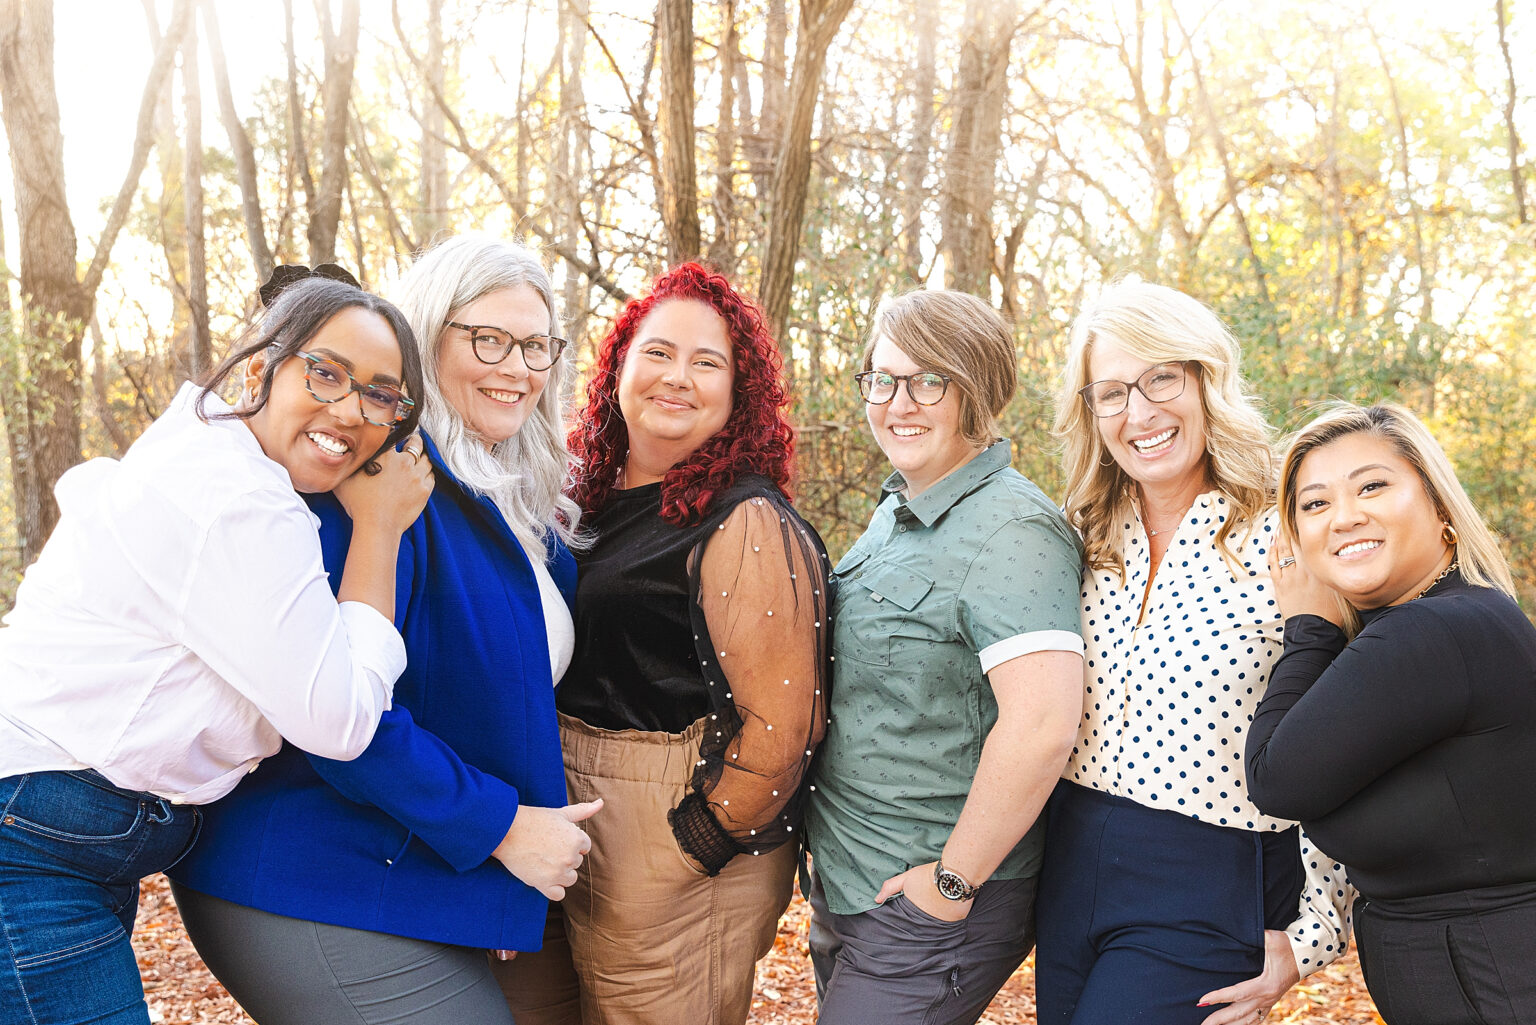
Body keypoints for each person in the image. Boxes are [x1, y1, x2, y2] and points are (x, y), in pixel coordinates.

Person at [167, 237, 597, 1025]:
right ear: (426, 335)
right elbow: (334, 709)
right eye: (488, 339)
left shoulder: (520, 506)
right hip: (311, 869)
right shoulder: (378, 479)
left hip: (415, 865)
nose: (517, 367)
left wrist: (493, 871)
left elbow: (492, 708)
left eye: (536, 346)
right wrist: (500, 830)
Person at [0, 273, 432, 1025]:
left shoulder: (213, 456)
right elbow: (341, 722)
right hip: (32, 839)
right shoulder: (237, 498)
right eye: (325, 373)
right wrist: (380, 528)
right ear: (261, 369)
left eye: (380, 395)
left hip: (69, 832)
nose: (350, 411)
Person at [494, 262, 831, 1025]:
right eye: (658, 352)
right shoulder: (576, 496)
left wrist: (694, 843)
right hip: (558, 822)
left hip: (669, 839)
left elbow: (786, 724)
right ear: (619, 365)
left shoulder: (744, 520)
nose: (677, 376)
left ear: (739, 394)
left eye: (706, 362)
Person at [1036, 279, 1351, 1025]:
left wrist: (1315, 932)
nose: (1139, 412)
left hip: (1214, 872)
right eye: (1112, 393)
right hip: (1072, 858)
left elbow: (1343, 735)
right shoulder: (1078, 533)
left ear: (1206, 379)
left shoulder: (1288, 528)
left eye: (1161, 379)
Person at [803, 288, 1086, 1025]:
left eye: (929, 381)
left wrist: (950, 885)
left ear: (976, 391)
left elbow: (1043, 726)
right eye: (882, 379)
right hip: (852, 878)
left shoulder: (1015, 531)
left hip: (930, 903)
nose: (899, 403)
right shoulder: (898, 511)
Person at [1247, 402, 1536, 1025]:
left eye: (1372, 486)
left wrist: (1309, 627)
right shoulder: (1453, 617)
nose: (1345, 516)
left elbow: (1276, 779)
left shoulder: (1432, 631)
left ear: (1440, 506)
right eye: (1315, 503)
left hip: (1495, 978)